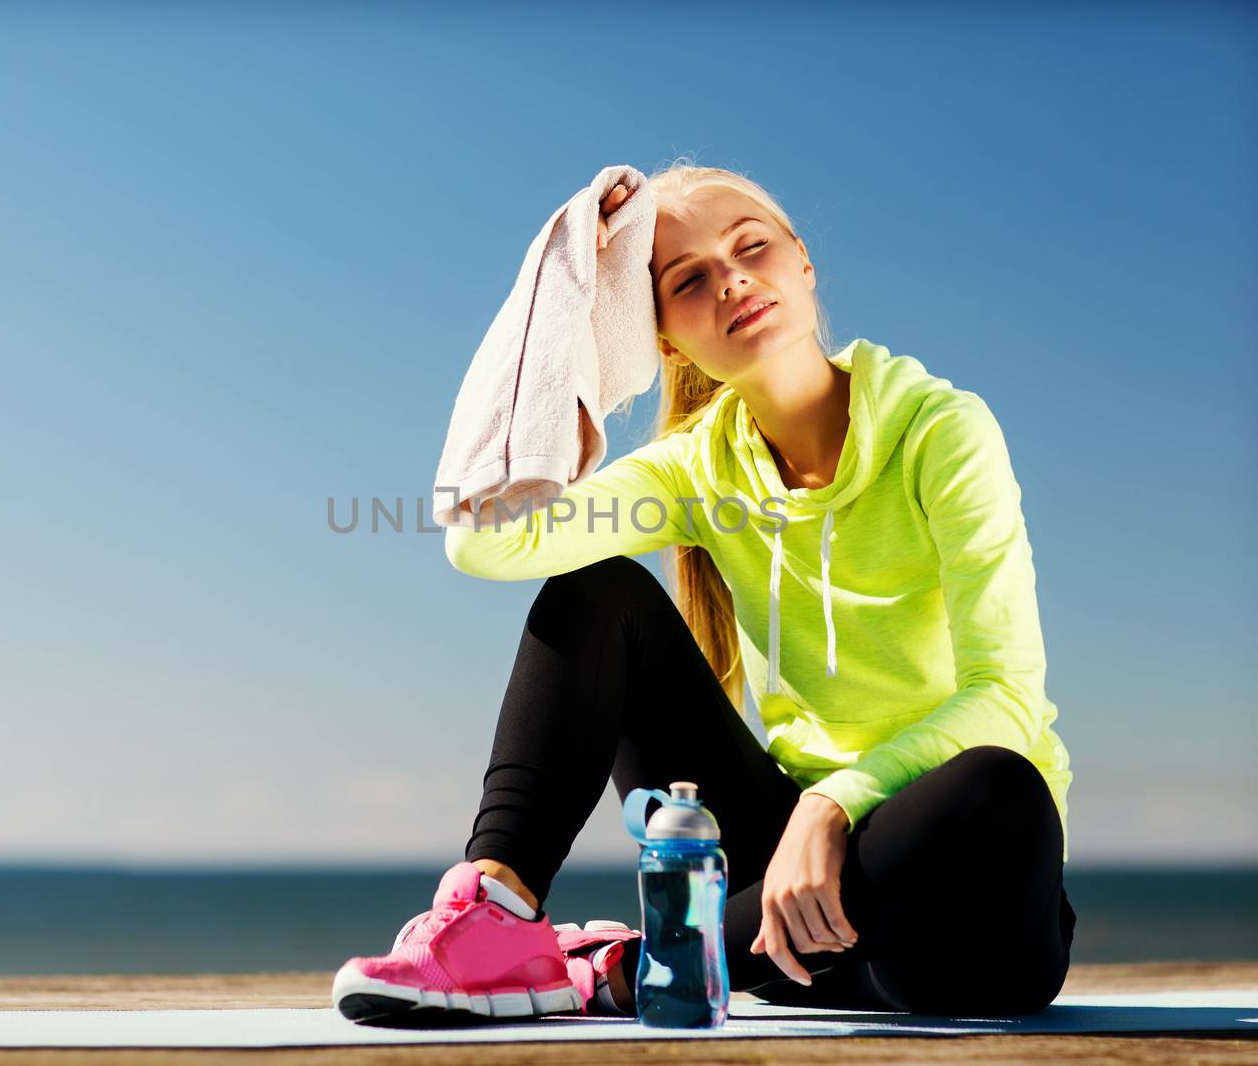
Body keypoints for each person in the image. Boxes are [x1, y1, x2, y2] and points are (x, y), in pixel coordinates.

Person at [333, 159, 1076, 1025]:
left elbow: (1006, 695)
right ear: (664, 340)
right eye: (688, 280)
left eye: (752, 247)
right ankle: (496, 922)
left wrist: (833, 808)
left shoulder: (942, 431)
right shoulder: (696, 470)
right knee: (599, 592)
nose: (731, 280)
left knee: (996, 784)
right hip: (780, 894)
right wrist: (563, 287)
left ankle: (631, 967)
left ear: (802, 264)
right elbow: (486, 538)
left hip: (946, 914)